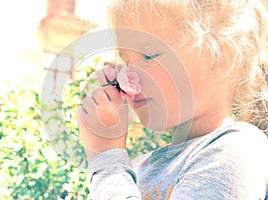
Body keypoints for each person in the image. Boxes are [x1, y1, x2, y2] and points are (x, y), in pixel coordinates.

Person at [77, 0, 268, 199]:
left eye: (149, 56)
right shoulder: (141, 166)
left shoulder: (238, 149)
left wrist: (107, 159)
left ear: (219, 57)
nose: (127, 77)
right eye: (126, 61)